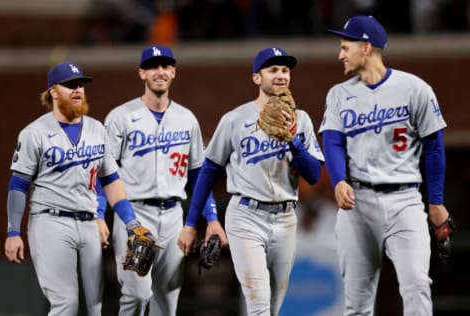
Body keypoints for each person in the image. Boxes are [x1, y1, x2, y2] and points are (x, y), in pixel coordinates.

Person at [319, 15, 452, 315]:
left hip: (404, 199)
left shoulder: (414, 88)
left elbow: (434, 147)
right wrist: (339, 179)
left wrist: (437, 202)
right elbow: (333, 141)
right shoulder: (339, 94)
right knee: (356, 302)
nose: (340, 55)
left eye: (345, 47)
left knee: (417, 286)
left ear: (366, 47)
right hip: (357, 202)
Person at [178, 47, 324, 316]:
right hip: (246, 216)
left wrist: (292, 140)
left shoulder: (300, 119)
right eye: (272, 70)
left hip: (285, 217)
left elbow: (313, 175)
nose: (280, 75)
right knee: (258, 303)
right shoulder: (235, 119)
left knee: (273, 307)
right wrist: (191, 223)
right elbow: (209, 170)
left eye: (284, 70)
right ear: (257, 78)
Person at [4, 61, 146, 316]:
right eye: (70, 85)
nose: (77, 89)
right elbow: (18, 184)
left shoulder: (97, 129)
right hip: (51, 222)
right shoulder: (34, 133)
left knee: (95, 307)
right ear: (53, 91)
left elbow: (111, 180)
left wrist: (131, 223)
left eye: (80, 84)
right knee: (66, 304)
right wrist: (13, 232)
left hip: (89, 223)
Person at [104, 45, 224, 316]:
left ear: (173, 72)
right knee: (137, 293)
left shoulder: (186, 118)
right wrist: (101, 215)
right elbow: (105, 174)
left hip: (173, 217)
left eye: (165, 66)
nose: (160, 71)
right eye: (153, 66)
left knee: (168, 301)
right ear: (142, 73)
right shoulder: (120, 117)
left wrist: (212, 219)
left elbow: (198, 175)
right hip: (134, 215)